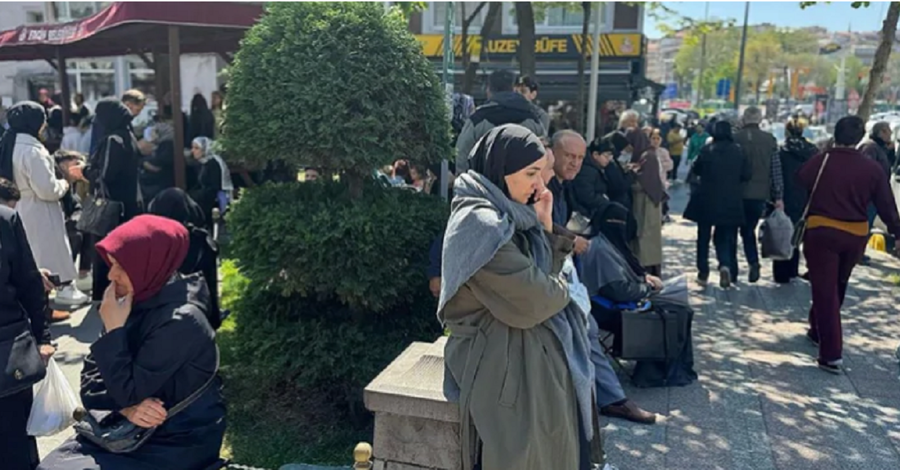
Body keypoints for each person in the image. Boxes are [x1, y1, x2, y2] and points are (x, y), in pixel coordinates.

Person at [439, 124, 604, 470]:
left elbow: (541, 280)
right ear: (501, 170)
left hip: (526, 360)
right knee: (522, 455)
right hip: (504, 372)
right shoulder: (481, 225)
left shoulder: (509, 215)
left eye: (542, 173)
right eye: (531, 173)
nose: (540, 185)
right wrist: (565, 288)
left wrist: (545, 227)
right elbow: (537, 300)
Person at [798, 116, 900, 375]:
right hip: (855, 235)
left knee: (824, 290)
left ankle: (831, 354)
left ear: (836, 134)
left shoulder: (821, 161)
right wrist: (897, 233)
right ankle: (817, 328)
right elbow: (887, 205)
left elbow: (801, 182)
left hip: (822, 233)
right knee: (838, 283)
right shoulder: (871, 168)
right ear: (860, 137)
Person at [0, 101, 89, 306]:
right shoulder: (32, 150)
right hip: (38, 209)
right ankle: (53, 299)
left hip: (14, 206)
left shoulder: (7, 143)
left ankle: (38, 304)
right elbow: (47, 190)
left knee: (25, 256)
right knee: (45, 258)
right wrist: (65, 183)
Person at [0, 202, 56, 470]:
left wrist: (43, 338)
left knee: (14, 446)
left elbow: (29, 284)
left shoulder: (5, 220)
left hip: (7, 353)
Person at [86, 97, 143, 302]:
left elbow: (106, 175)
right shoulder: (128, 136)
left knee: (106, 252)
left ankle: (106, 296)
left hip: (112, 208)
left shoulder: (113, 140)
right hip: (130, 204)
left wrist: (84, 171)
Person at [684, 121, 752, 288]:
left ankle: (703, 272)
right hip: (730, 200)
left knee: (703, 237)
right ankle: (725, 264)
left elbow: (697, 169)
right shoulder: (738, 151)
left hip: (706, 199)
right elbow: (747, 174)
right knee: (724, 236)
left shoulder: (707, 150)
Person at [149, 188, 223, 330]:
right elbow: (210, 282)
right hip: (198, 310)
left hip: (161, 314)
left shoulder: (153, 241)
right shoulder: (201, 239)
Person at [455, 70, 546, 173]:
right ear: (514, 89)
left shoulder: (477, 119)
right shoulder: (533, 120)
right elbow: (543, 154)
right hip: (525, 181)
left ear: (488, 91)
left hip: (484, 180)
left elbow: (462, 154)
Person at [733, 106, 781, 283]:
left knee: (731, 230)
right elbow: (776, 171)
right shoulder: (769, 140)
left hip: (736, 193)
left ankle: (731, 268)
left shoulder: (735, 138)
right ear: (760, 120)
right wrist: (778, 196)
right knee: (748, 230)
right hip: (760, 194)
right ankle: (753, 261)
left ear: (744, 119)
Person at [773, 117, 818, 284]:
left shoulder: (781, 151)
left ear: (787, 132)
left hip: (786, 196)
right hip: (807, 197)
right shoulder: (813, 151)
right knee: (801, 234)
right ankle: (794, 270)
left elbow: (776, 175)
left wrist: (776, 196)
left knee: (783, 233)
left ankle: (782, 273)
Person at [625, 128, 666, 276]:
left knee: (645, 238)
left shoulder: (648, 156)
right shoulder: (646, 154)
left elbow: (643, 183)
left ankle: (648, 272)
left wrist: (629, 175)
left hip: (647, 204)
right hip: (647, 203)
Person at [189, 137, 233, 227]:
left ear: (205, 149)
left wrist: (195, 196)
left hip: (216, 199)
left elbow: (214, 187)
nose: (192, 151)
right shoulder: (203, 163)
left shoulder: (213, 163)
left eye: (196, 148)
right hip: (207, 197)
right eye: (192, 147)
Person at [91, 89, 146, 155]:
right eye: (137, 110)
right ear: (128, 105)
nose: (138, 114)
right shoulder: (108, 122)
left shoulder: (121, 122)